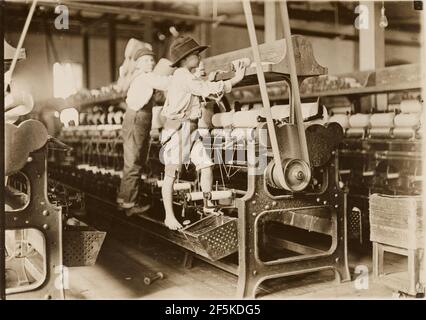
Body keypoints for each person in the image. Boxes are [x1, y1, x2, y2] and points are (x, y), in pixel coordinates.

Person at [160, 36, 246, 230]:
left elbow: (204, 84)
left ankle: (207, 206)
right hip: (178, 130)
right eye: (195, 54)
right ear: (184, 59)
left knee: (206, 165)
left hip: (190, 129)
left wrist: (216, 76)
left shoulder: (185, 76)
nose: (199, 57)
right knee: (171, 175)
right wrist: (235, 80)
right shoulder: (183, 76)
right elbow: (206, 88)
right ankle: (169, 216)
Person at [117, 40, 171, 216]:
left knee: (133, 161)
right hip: (137, 119)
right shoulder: (146, 77)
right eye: (147, 60)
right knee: (134, 162)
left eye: (151, 60)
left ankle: (124, 200)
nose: (151, 63)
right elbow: (166, 83)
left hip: (137, 119)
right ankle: (130, 204)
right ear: (139, 63)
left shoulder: (140, 77)